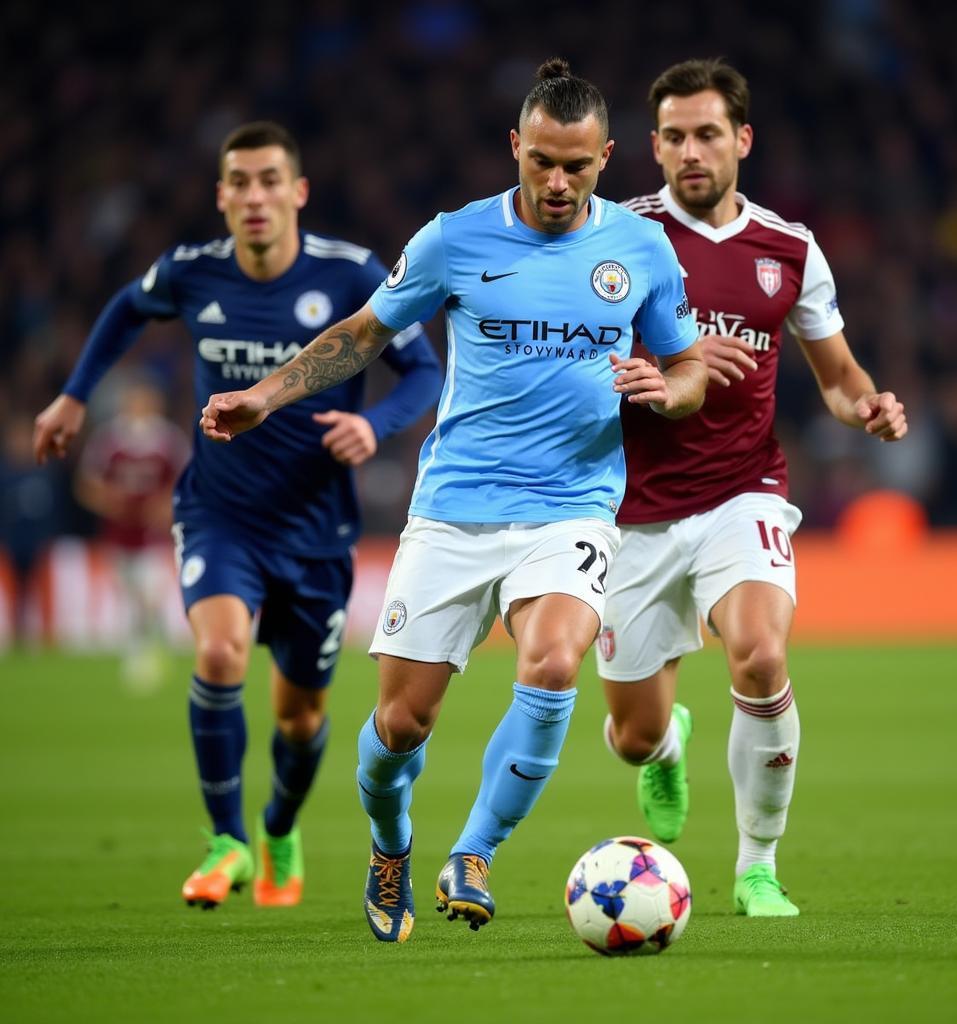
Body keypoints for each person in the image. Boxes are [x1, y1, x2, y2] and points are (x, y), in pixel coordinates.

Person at [199, 59, 707, 943]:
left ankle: (473, 851)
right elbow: (363, 333)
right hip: (456, 508)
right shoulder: (452, 241)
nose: (556, 182)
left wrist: (669, 390)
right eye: (541, 160)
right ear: (515, 145)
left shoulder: (640, 248)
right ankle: (390, 844)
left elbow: (690, 363)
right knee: (400, 726)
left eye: (576, 166)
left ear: (608, 158)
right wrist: (266, 396)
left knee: (551, 664)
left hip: (573, 506)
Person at [33, 121, 442, 910]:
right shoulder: (193, 273)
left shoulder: (351, 273)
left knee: (301, 718)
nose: (254, 197)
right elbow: (124, 308)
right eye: (240, 183)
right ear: (222, 197)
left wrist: (375, 426)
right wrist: (75, 394)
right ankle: (225, 844)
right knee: (219, 656)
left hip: (316, 531)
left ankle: (278, 829)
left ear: (298, 192)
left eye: (268, 181)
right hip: (219, 513)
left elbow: (421, 372)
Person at [596, 58, 908, 917]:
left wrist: (867, 407)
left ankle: (757, 865)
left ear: (742, 139)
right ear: (652, 147)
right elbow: (570, 360)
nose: (689, 151)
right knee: (631, 737)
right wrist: (669, 363)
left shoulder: (789, 248)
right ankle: (666, 747)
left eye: (706, 134)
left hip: (745, 491)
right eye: (673, 137)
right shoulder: (616, 237)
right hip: (631, 511)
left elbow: (838, 378)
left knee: (764, 656)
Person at [73, 378, 190, 690]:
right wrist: (109, 501)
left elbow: (186, 482)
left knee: (148, 595)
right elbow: (87, 484)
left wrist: (165, 506)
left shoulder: (168, 440)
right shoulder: (109, 440)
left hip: (153, 536)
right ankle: (146, 645)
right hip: (118, 534)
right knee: (128, 594)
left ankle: (145, 654)